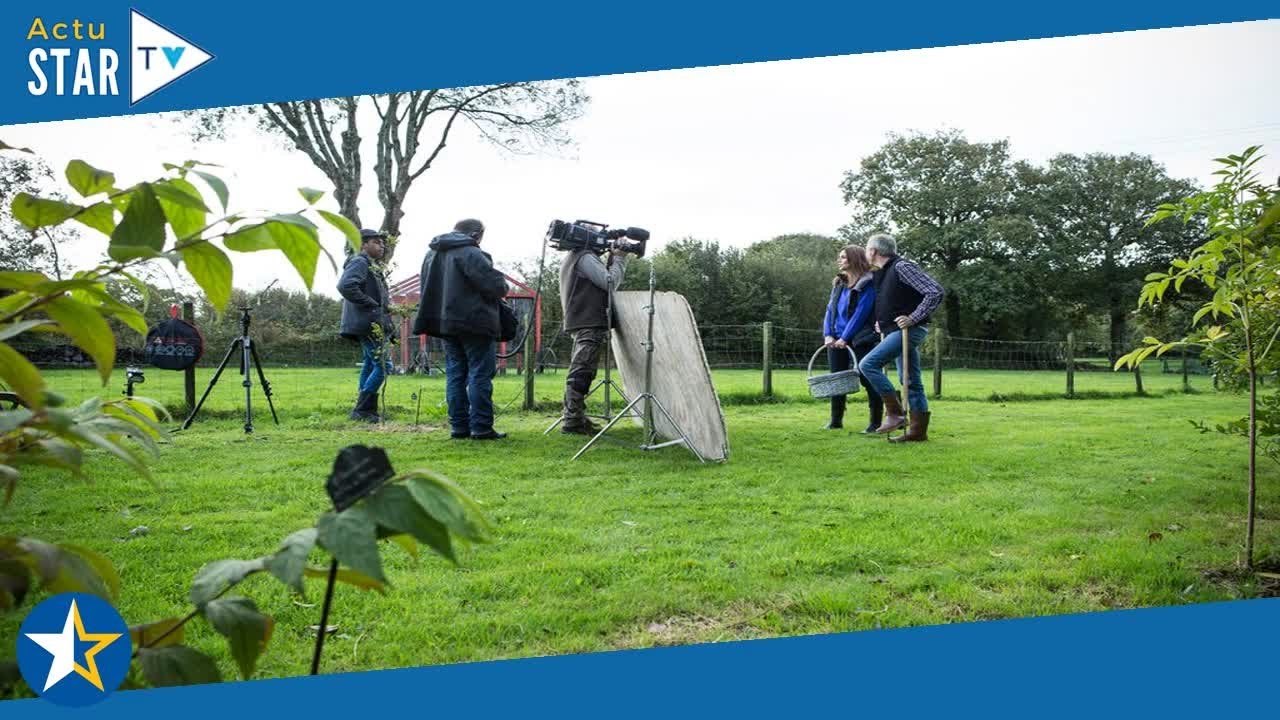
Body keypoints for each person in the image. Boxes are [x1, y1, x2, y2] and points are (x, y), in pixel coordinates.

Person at [412, 219, 509, 440]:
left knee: (455, 374)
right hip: (475, 322)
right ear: (476, 234)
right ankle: (481, 427)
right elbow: (495, 286)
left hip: (445, 324)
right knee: (479, 374)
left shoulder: (432, 254)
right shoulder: (471, 253)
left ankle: (459, 427)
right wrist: (503, 284)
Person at [857, 233, 945, 443]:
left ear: (873, 251)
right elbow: (894, 301)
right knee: (911, 380)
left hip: (909, 330)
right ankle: (917, 432)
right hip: (894, 330)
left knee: (868, 364)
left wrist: (913, 318)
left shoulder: (901, 267)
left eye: (866, 249)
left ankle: (895, 413)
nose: (866, 253)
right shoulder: (883, 273)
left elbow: (934, 292)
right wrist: (883, 322)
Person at [558, 242, 632, 435]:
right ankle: (572, 420)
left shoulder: (574, 256)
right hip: (589, 321)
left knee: (581, 368)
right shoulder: (585, 256)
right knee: (582, 370)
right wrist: (620, 259)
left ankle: (575, 417)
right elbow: (609, 282)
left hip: (581, 319)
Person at [821, 245, 882, 433]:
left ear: (855, 259)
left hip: (860, 339)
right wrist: (828, 334)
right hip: (835, 340)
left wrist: (846, 337)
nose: (839, 260)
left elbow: (861, 313)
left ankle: (876, 422)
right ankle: (835, 420)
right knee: (836, 379)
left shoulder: (868, 284)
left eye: (843, 257)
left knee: (868, 378)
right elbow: (830, 310)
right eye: (839, 257)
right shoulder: (839, 284)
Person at [338, 229, 394, 422]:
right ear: (363, 245)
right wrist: (371, 304)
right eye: (377, 242)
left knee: (371, 364)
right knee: (384, 365)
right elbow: (346, 286)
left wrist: (386, 307)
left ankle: (363, 410)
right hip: (368, 323)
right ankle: (363, 409)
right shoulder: (359, 262)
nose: (382, 246)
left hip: (369, 322)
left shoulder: (371, 266)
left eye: (382, 243)